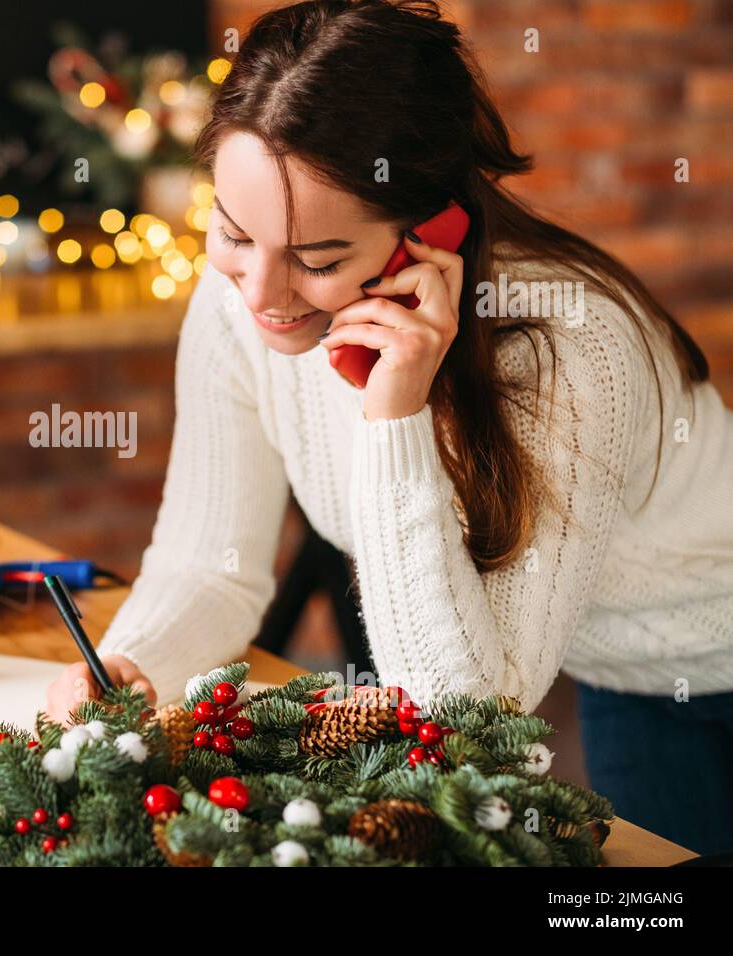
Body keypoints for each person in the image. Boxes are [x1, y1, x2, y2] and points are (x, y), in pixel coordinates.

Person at [44, 0, 733, 854]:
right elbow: (208, 564)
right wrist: (135, 666)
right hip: (620, 671)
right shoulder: (237, 306)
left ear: (429, 231)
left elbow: (463, 719)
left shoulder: (565, 346)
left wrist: (397, 412)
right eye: (232, 233)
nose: (259, 292)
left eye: (317, 259)